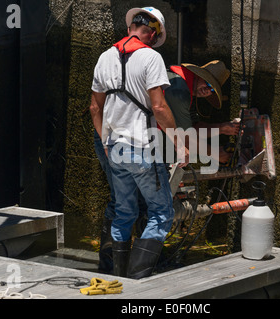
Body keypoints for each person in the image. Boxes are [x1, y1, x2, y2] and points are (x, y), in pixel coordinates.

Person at [90, 7, 189, 279]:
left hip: (113, 148)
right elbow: (158, 107)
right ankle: (136, 282)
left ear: (132, 26)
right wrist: (179, 144)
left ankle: (115, 277)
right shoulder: (151, 57)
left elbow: (94, 109)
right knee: (161, 213)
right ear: (153, 33)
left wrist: (106, 142)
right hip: (141, 147)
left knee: (124, 211)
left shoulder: (104, 57)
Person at [164, 60, 241, 165]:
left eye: (212, 90)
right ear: (198, 75)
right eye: (207, 83)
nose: (207, 90)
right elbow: (186, 137)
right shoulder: (180, 91)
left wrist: (222, 128)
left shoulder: (187, 88)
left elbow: (193, 128)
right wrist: (215, 153)